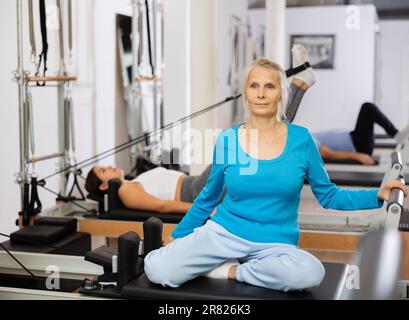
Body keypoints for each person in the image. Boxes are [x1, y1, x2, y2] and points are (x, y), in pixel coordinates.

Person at [142, 55, 407, 293]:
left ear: (281, 93)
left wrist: (378, 195)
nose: (260, 94)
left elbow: (329, 196)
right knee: (158, 269)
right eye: (254, 86)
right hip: (223, 233)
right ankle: (220, 261)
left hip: (275, 243)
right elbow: (207, 198)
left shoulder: (301, 140)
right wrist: (178, 236)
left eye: (269, 86)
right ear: (246, 93)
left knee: (310, 273)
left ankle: (231, 271)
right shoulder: (228, 140)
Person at [84, 45, 316, 215]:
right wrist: (206, 210)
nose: (111, 166)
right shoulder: (126, 191)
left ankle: (301, 83)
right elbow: (164, 206)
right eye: (104, 170)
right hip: (199, 191)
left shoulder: (133, 180)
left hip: (199, 185)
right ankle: (300, 83)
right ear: (104, 186)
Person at [311, 102, 401, 165]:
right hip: (357, 145)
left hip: (355, 138)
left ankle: (397, 135)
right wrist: (358, 156)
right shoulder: (308, 139)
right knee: (367, 107)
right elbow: (328, 154)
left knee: (368, 109)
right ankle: (397, 135)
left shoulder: (309, 134)